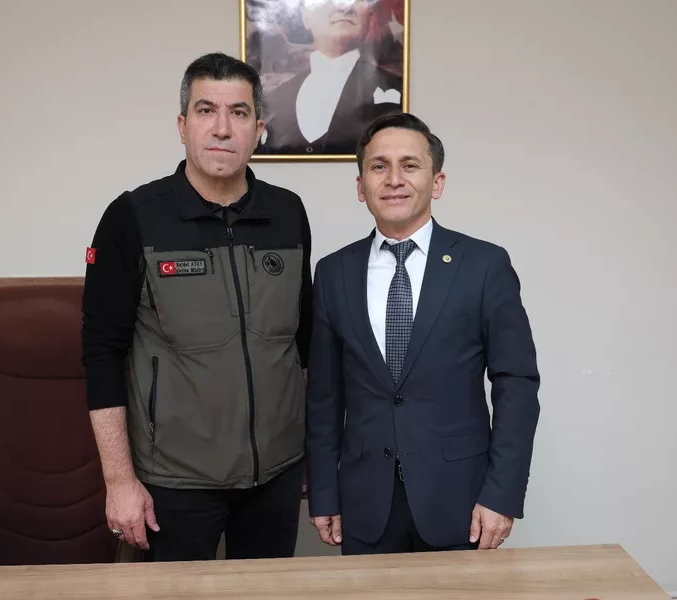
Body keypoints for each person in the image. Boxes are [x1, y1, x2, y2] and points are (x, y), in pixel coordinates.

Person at [81, 52, 312, 562]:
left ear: (259, 130)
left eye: (239, 112)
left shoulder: (288, 213)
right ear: (183, 125)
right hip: (175, 483)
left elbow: (304, 345)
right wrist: (119, 481)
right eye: (207, 110)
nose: (222, 128)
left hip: (276, 476)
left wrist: (314, 455)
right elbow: (101, 354)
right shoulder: (133, 217)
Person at [305, 113, 541, 555]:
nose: (394, 179)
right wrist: (323, 492)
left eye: (410, 165)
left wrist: (502, 494)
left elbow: (517, 384)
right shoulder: (333, 272)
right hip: (363, 503)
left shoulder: (484, 266)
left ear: (437, 182)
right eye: (379, 166)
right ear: (361, 186)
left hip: (461, 501)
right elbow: (323, 397)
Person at [256, 0, 403, 156]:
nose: (344, 8)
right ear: (306, 17)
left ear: (370, 15)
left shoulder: (397, 88)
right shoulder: (276, 99)